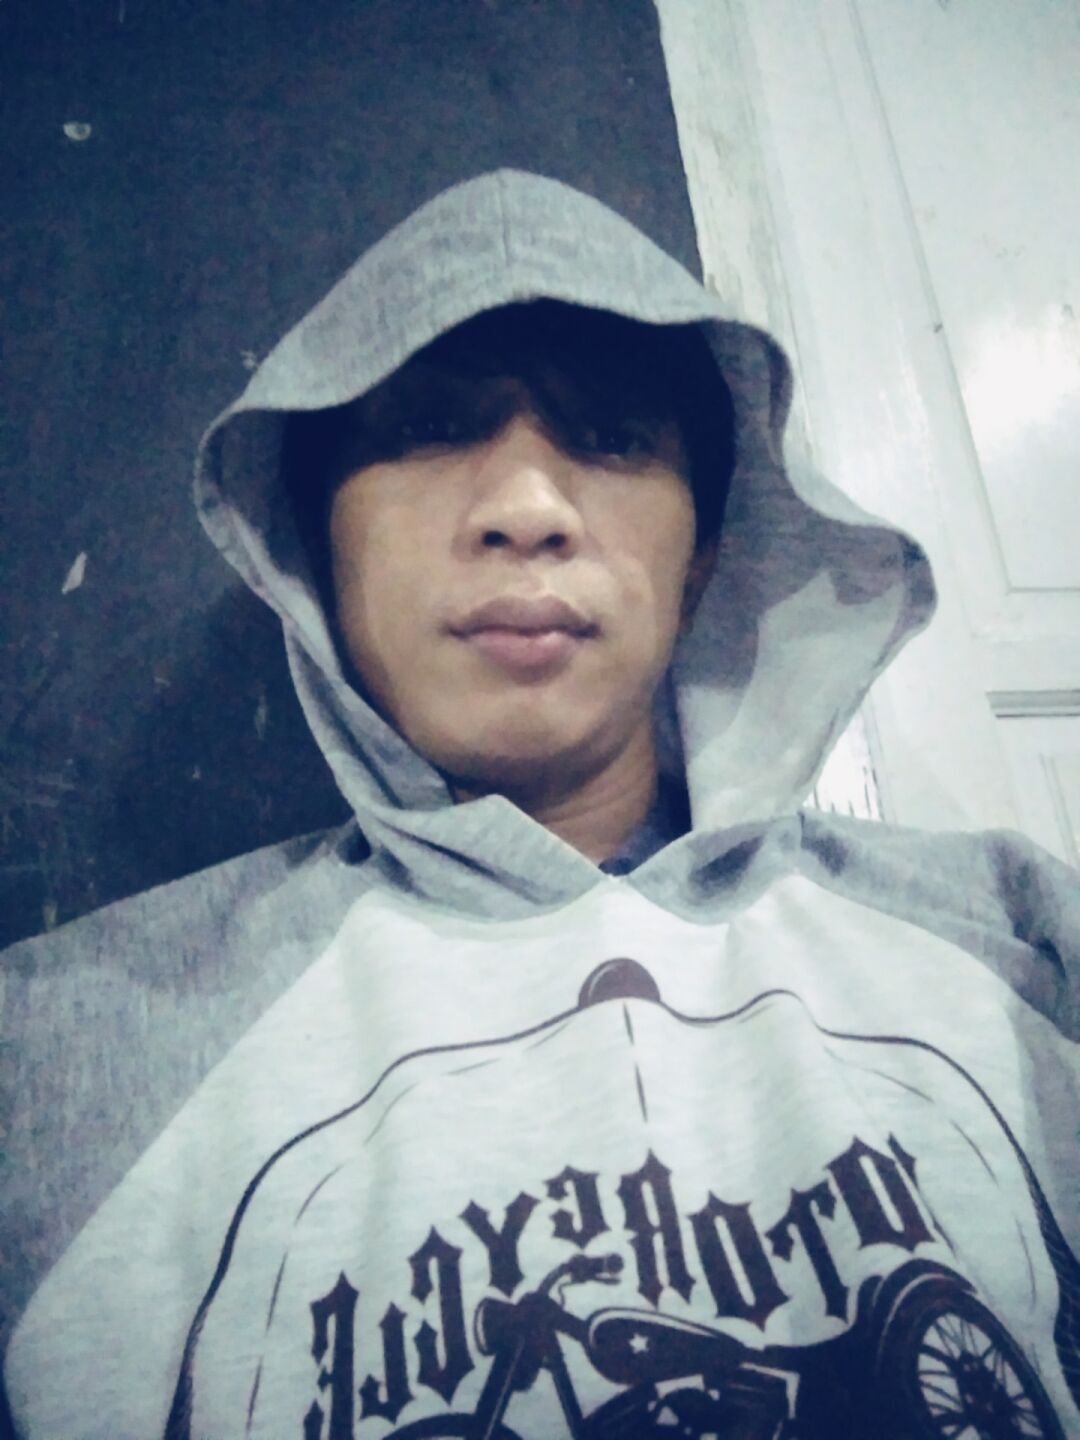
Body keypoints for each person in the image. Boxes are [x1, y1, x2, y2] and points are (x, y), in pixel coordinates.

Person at [1, 168, 1077, 1440]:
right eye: (427, 429)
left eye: (612, 438)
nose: (526, 511)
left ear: (707, 555)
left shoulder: (1013, 927)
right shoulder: (49, 1055)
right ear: (310, 546)